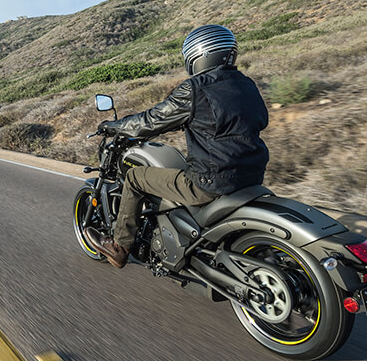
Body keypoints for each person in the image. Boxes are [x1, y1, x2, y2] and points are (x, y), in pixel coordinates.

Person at [84, 24, 270, 268]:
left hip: (209, 182)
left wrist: (114, 126)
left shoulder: (195, 89)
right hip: (252, 175)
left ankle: (119, 247)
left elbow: (151, 121)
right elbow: (257, 121)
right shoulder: (246, 85)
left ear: (197, 56)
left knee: (135, 177)